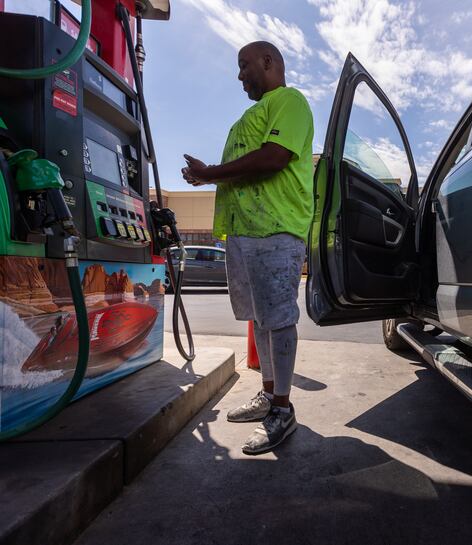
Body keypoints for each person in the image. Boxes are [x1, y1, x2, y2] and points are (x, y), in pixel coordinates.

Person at [181, 41, 313, 455]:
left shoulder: (290, 101)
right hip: (245, 230)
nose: (240, 75)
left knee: (277, 318)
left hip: (274, 228)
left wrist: (209, 174)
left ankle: (283, 408)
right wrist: (211, 174)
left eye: (244, 66)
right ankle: (268, 395)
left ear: (269, 62)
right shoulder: (249, 116)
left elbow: (274, 157)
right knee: (260, 318)